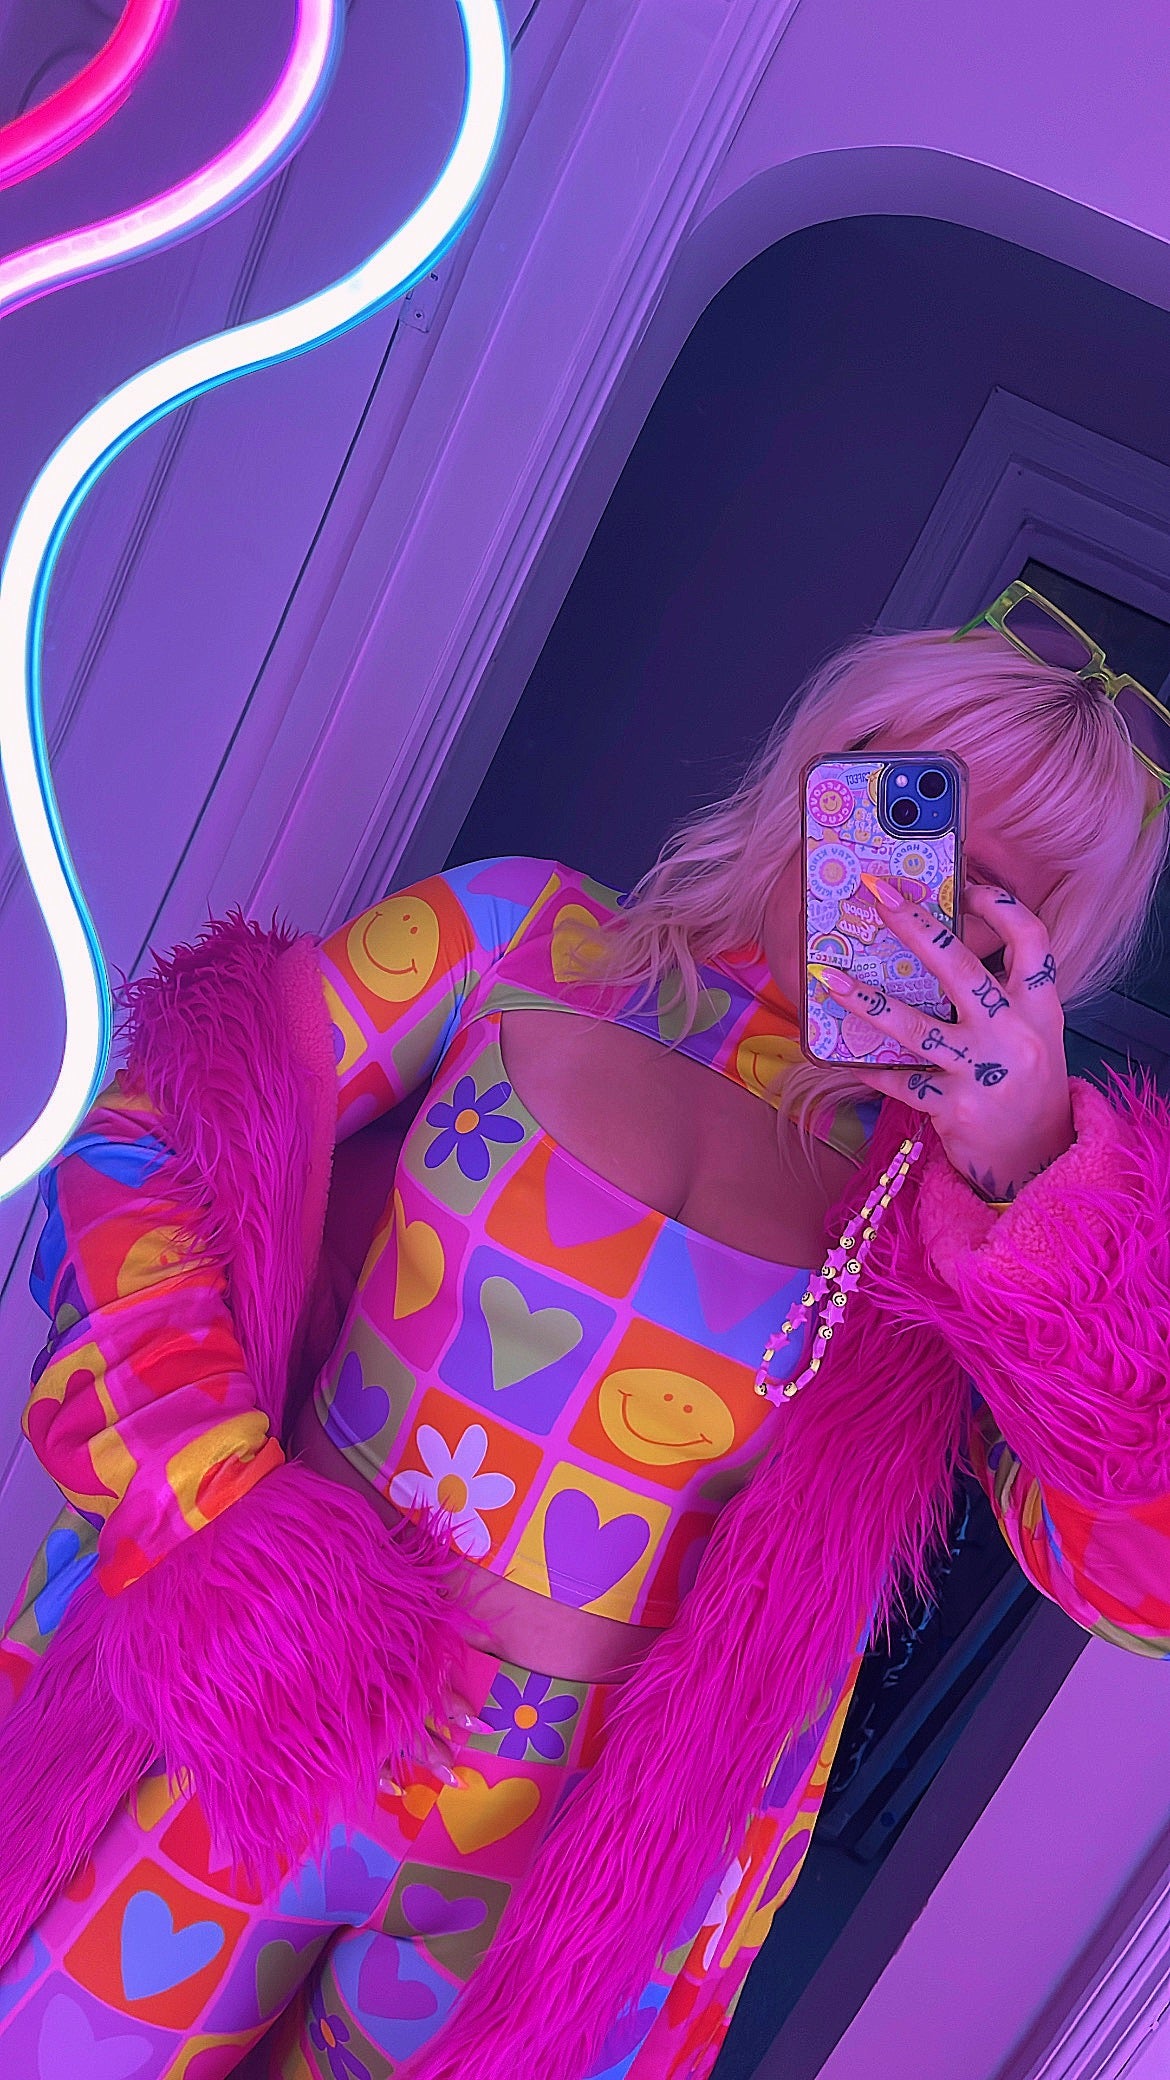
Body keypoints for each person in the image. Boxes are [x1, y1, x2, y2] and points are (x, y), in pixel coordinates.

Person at [2, 613, 1170, 2080]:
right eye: (914, 812)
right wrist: (220, 1515)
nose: (919, 905)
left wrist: (1043, 1191)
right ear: (830, 764)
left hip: (552, 1871)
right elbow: (149, 1150)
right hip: (275, 1698)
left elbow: (1140, 1576)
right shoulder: (517, 938)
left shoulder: (957, 1225)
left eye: (997, 897)